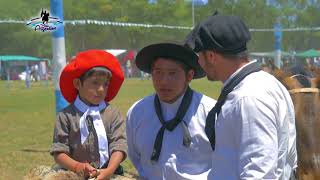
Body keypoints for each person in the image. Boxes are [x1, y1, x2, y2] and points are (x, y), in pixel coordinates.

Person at [184, 14, 297, 179]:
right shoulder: (264, 83)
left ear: (211, 56)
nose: (199, 62)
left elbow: (259, 173)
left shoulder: (249, 97)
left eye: (199, 56)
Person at [126, 42, 216, 179]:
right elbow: (136, 157)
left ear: (189, 76)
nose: (164, 81)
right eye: (158, 72)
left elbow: (225, 160)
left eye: (172, 73)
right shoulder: (137, 112)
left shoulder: (210, 112)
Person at [50, 50, 127, 179]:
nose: (101, 89)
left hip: (110, 171)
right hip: (73, 173)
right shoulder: (66, 116)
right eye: (95, 83)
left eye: (106, 84)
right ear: (78, 84)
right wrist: (77, 166)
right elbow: (59, 151)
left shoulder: (113, 114)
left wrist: (109, 170)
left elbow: (119, 145)